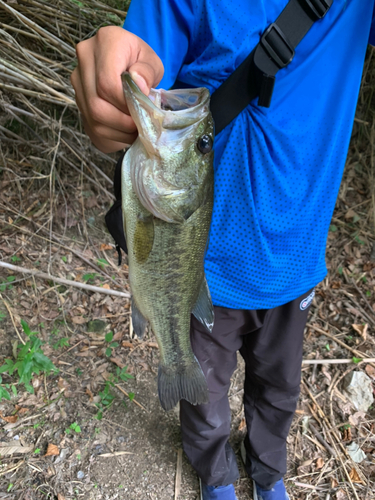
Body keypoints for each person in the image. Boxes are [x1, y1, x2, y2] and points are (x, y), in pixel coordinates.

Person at [71, 1, 375, 499]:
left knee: (279, 391)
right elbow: (143, 61)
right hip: (203, 272)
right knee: (204, 393)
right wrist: (121, 72)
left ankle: (268, 470)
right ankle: (214, 472)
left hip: (296, 262)